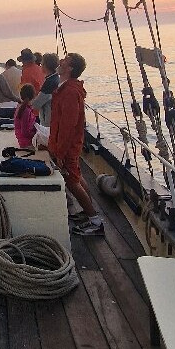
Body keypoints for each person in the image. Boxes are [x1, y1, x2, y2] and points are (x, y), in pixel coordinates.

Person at [49, 52, 102, 233]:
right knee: (76, 177)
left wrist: (60, 152)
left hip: (67, 146)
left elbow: (68, 126)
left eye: (65, 60)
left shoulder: (70, 92)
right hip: (67, 144)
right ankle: (89, 212)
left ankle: (95, 221)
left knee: (72, 182)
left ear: (70, 68)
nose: (61, 61)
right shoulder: (66, 88)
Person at [32, 52, 60, 127]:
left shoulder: (49, 83)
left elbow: (36, 104)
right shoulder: (56, 78)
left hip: (48, 122)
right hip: (54, 118)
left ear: (45, 65)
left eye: (42, 64)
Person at [14, 84, 38, 148]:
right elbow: (25, 132)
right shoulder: (26, 110)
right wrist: (36, 133)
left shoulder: (21, 107)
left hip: (23, 138)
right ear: (33, 96)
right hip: (26, 141)